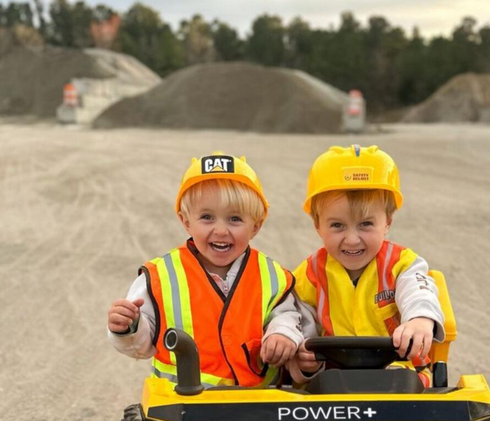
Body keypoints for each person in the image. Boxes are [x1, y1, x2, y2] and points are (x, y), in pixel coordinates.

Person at [107, 153, 304, 387]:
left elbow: (288, 315)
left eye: (234, 219)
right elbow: (140, 347)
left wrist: (282, 333)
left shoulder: (272, 277)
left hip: (257, 404)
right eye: (207, 217)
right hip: (181, 409)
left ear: (256, 226)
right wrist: (128, 327)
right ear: (186, 221)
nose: (221, 230)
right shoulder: (160, 276)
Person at [271, 145, 444, 381]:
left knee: (402, 383)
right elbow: (298, 320)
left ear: (387, 223)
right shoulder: (310, 275)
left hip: (400, 374)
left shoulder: (402, 265)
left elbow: (419, 293)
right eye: (337, 226)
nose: (352, 239)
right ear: (318, 226)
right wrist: (304, 360)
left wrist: (420, 320)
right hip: (333, 381)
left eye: (365, 224)